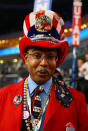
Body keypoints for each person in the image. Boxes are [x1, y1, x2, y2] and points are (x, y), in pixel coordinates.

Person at [0, 10, 88, 131]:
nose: (44, 63)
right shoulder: (3, 97)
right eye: (37, 55)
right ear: (26, 58)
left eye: (50, 56)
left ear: (56, 60)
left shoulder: (77, 100)